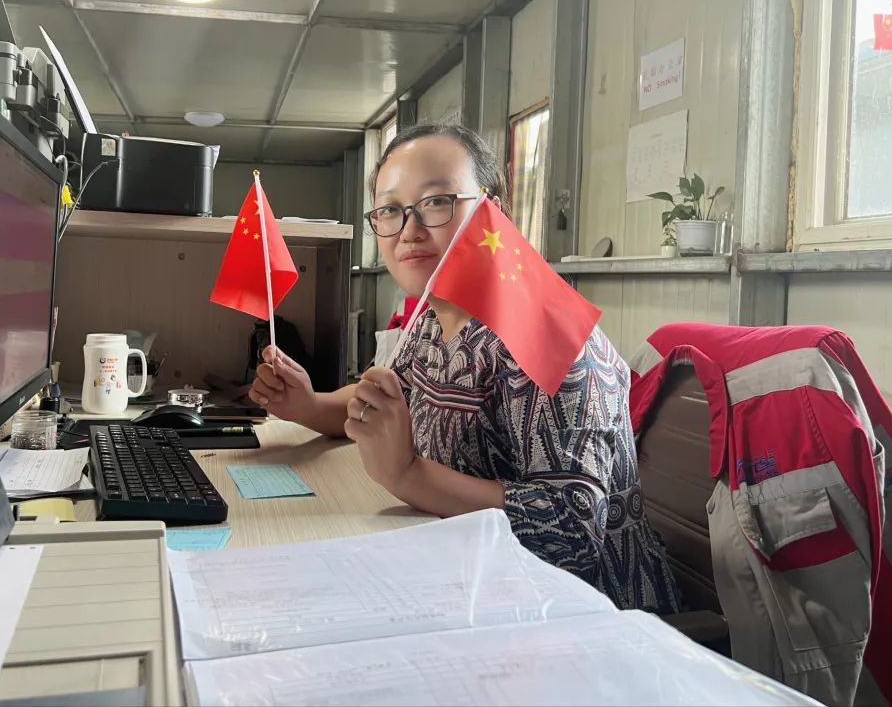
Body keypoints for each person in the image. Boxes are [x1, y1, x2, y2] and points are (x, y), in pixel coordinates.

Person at [249, 123, 680, 613]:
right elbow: (386, 401)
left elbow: (573, 531)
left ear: (492, 211)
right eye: (390, 209)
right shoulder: (432, 319)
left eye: (437, 202)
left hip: (583, 615)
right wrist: (308, 406)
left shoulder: (547, 335)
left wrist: (408, 475)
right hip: (465, 577)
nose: (409, 230)